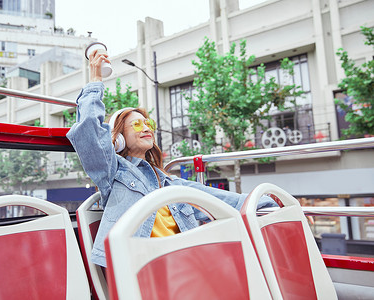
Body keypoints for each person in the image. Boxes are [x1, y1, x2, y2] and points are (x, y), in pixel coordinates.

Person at [66, 49, 278, 267]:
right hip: (140, 269)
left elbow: (219, 200)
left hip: (183, 262)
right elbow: (88, 132)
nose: (146, 128)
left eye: (148, 124)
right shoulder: (113, 171)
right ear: (119, 138)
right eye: (137, 124)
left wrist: (269, 203)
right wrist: (95, 80)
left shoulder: (167, 182)